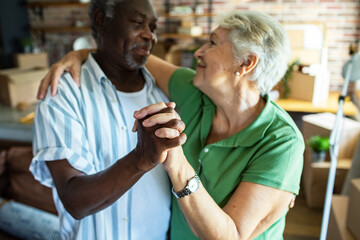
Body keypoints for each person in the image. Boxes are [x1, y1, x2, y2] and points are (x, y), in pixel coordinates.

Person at [37, 10, 304, 240]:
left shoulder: (282, 142)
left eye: (213, 43)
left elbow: (229, 236)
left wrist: (177, 164)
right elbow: (124, 52)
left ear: (246, 63)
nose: (199, 51)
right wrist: (79, 54)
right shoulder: (194, 91)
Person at [30, 0, 186, 239]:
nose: (149, 35)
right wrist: (140, 159)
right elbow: (75, 201)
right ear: (101, 20)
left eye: (153, 27)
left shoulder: (164, 94)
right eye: (137, 22)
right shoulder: (63, 93)